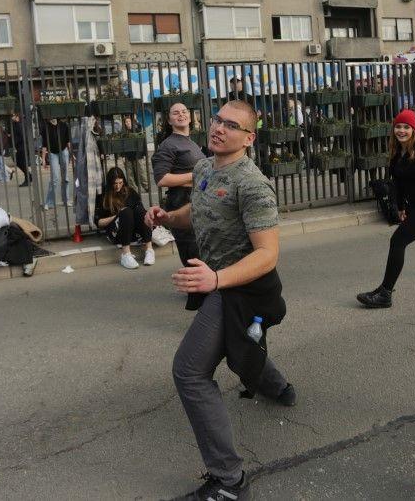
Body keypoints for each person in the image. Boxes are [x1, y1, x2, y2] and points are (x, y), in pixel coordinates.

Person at [144, 100, 294, 501]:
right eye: (217, 119)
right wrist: (166, 218)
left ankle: (229, 481)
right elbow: (198, 210)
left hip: (242, 288)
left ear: (249, 137)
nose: (219, 128)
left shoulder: (253, 184)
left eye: (232, 125)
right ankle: (278, 387)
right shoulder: (205, 168)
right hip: (220, 283)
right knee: (242, 342)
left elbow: (267, 255)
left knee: (190, 372)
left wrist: (216, 279)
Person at [356, 109, 415, 309]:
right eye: (398, 126)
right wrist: (401, 207)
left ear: (414, 130)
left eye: (406, 127)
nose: (401, 130)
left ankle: (385, 293)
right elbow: (398, 183)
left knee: (397, 241)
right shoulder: (397, 153)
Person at [151, 103, 205, 268]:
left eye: (184, 112)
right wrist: (195, 175)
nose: (181, 115)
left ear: (190, 117)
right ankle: (197, 293)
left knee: (202, 253)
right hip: (181, 201)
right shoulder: (168, 145)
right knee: (192, 254)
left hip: (197, 200)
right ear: (169, 120)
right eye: (176, 113)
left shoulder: (191, 143)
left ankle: (205, 290)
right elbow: (161, 179)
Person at [95, 167, 154, 269]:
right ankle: (126, 254)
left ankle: (149, 249)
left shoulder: (130, 192)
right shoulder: (103, 196)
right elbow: (99, 222)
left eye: (120, 183)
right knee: (126, 212)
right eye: (115, 183)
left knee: (140, 211)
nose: (118, 186)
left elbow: (141, 214)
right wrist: (118, 216)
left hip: (134, 233)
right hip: (116, 233)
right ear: (110, 183)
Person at [40, 117, 71, 210]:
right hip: (52, 153)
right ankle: (49, 202)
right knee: (55, 178)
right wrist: (43, 159)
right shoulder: (46, 127)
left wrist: (72, 154)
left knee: (65, 177)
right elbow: (44, 144)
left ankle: (66, 200)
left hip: (63, 151)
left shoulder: (64, 125)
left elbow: (68, 141)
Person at [10, 112, 32, 187]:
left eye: (13, 116)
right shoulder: (15, 124)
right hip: (20, 146)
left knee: (21, 162)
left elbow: (22, 136)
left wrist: (15, 141)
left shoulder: (20, 124)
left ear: (17, 116)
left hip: (23, 146)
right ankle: (29, 176)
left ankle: (28, 178)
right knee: (20, 162)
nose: (11, 117)